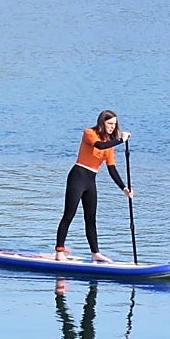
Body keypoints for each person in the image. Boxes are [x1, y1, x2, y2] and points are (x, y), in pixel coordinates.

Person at [55, 110, 132, 263]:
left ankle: (95, 253)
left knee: (91, 218)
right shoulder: (89, 133)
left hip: (91, 181)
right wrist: (120, 140)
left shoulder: (109, 144)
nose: (112, 127)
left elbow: (111, 168)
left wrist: (124, 188)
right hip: (77, 176)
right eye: (109, 123)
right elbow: (99, 145)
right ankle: (59, 251)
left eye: (114, 124)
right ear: (102, 122)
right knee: (69, 214)